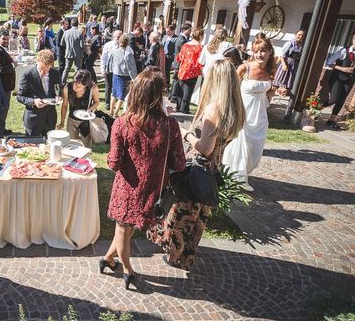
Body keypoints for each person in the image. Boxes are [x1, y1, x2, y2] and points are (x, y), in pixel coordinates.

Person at [148, 59, 245, 270]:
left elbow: (205, 148)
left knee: (182, 213)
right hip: (212, 169)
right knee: (198, 215)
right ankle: (185, 255)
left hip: (196, 168)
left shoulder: (213, 109)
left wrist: (186, 135)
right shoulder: (235, 109)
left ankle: (174, 254)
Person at [101, 68, 186, 289]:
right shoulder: (170, 125)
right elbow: (179, 163)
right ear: (159, 95)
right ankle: (109, 259)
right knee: (126, 228)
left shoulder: (122, 123)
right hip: (152, 188)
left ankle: (127, 270)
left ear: (136, 92)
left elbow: (113, 163)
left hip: (128, 187)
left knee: (123, 227)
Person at [222, 37, 276, 191]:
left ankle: (244, 173)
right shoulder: (244, 68)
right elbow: (230, 90)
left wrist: (273, 92)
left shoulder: (270, 70)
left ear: (270, 52)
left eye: (263, 51)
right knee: (240, 144)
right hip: (243, 111)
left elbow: (266, 94)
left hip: (260, 115)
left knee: (255, 147)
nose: (259, 54)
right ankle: (237, 177)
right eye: (256, 51)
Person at [16, 49, 60, 136]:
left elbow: (58, 90)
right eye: (42, 68)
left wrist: (59, 97)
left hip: (50, 119)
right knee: (32, 147)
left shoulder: (55, 74)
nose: (44, 72)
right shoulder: (27, 74)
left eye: (47, 69)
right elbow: (20, 96)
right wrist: (33, 102)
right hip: (33, 119)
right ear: (37, 61)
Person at [58, 69, 100, 147]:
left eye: (78, 86)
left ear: (85, 85)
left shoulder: (93, 88)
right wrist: (62, 122)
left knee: (86, 146)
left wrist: (90, 109)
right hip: (72, 120)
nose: (74, 86)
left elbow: (97, 102)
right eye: (74, 82)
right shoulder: (67, 87)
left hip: (86, 121)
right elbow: (64, 105)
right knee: (71, 145)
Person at [324, 34, 355, 130]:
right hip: (338, 78)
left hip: (350, 79)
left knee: (342, 99)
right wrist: (343, 69)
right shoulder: (343, 50)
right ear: (352, 40)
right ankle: (314, 109)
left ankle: (331, 120)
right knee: (333, 99)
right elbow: (329, 62)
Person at [0, 31, 16, 135]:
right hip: (3, 86)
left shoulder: (0, 49)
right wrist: (13, 65)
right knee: (3, 109)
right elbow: (1, 69)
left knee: (4, 108)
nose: (6, 41)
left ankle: (2, 128)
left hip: (5, 85)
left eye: (7, 38)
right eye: (4, 39)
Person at [174, 28, 204, 114]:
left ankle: (178, 106)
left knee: (181, 89)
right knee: (188, 90)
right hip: (192, 71)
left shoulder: (186, 45)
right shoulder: (199, 47)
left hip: (183, 69)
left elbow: (179, 57)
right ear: (200, 36)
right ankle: (184, 108)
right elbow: (200, 60)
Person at [110, 34, 138, 117]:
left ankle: (111, 111)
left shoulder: (114, 51)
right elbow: (131, 68)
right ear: (127, 43)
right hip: (124, 76)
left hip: (115, 75)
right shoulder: (128, 54)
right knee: (121, 96)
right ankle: (115, 113)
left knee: (114, 93)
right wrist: (134, 77)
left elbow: (111, 62)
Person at [273, 30, 305, 95]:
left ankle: (282, 95)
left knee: (288, 81)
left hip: (293, 65)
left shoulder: (300, 45)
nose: (300, 37)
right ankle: (272, 94)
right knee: (281, 79)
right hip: (287, 63)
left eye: (302, 36)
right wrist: (284, 64)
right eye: (299, 35)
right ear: (295, 35)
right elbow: (282, 55)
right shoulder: (289, 43)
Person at [100, 30, 124, 109]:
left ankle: (115, 101)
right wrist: (102, 69)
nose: (119, 38)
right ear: (114, 37)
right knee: (108, 86)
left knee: (117, 86)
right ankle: (107, 102)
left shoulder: (123, 46)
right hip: (109, 69)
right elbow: (103, 57)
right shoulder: (108, 45)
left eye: (121, 36)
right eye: (118, 36)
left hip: (119, 70)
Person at [170, 23, 192, 102]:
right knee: (177, 80)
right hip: (179, 62)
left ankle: (172, 95)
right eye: (189, 30)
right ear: (184, 30)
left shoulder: (183, 38)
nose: (190, 32)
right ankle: (173, 96)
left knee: (176, 80)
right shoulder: (182, 40)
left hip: (178, 62)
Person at [61, 18, 85, 83]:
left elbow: (62, 43)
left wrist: (68, 46)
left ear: (71, 24)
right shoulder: (79, 33)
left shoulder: (66, 32)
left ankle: (63, 83)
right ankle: (77, 83)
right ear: (77, 24)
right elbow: (82, 45)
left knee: (66, 69)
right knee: (78, 70)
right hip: (78, 54)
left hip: (68, 53)